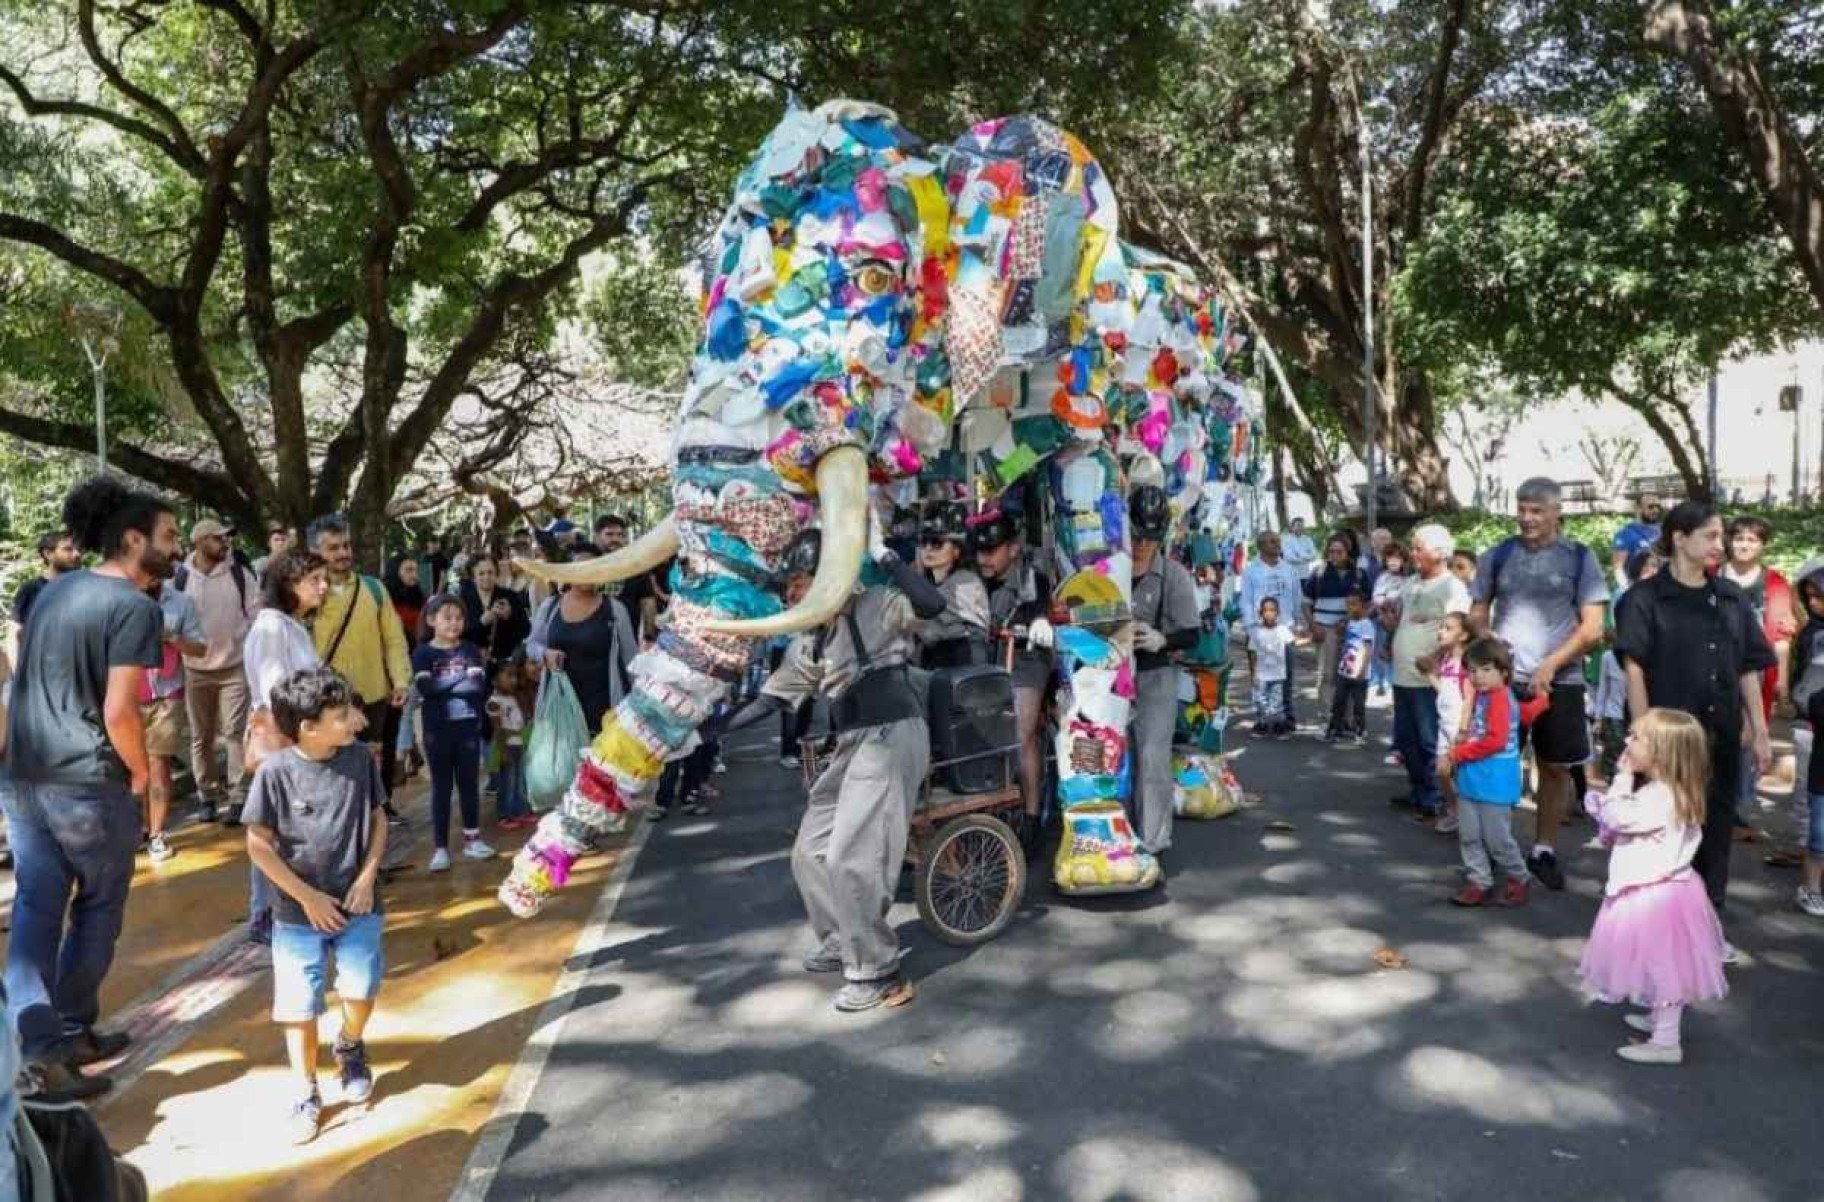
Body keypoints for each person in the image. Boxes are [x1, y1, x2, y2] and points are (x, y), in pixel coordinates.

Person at [4, 477, 175, 1102]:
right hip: (85, 780)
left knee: (36, 908)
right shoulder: (134, 607)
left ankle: (42, 1044)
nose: (173, 547)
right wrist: (136, 772)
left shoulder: (57, 590)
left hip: (24, 776)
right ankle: (70, 1030)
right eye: (167, 536)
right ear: (134, 540)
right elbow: (121, 712)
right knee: (100, 906)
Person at [731, 526, 945, 1012]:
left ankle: (878, 968)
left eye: (798, 581)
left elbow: (932, 605)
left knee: (854, 853)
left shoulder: (878, 603)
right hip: (851, 741)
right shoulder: (812, 639)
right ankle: (840, 937)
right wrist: (710, 728)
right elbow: (771, 700)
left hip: (891, 734)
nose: (791, 594)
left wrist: (885, 554)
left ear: (829, 575)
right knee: (811, 849)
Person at [1616, 500, 1773, 940]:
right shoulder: (1643, 599)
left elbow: (1747, 665)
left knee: (1715, 831)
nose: (1718, 545)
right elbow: (1634, 668)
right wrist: (1642, 735)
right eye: (1709, 536)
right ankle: (1659, 932)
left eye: (1720, 536)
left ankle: (1706, 928)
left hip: (1720, 736)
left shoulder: (1730, 597)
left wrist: (1759, 730)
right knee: (1664, 835)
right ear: (1679, 539)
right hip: (1668, 743)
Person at [243, 667, 387, 1142]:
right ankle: (305, 1090)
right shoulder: (275, 774)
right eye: (342, 715)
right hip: (297, 915)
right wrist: (306, 897)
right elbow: (258, 844)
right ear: (308, 727)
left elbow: (378, 819)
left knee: (362, 989)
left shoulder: (360, 760)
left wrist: (367, 878)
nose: (354, 721)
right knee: (299, 1007)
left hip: (358, 904)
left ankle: (349, 1044)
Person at [1470, 477, 1608, 891]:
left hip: (1560, 682)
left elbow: (1595, 628)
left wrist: (1552, 663)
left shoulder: (1580, 559)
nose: (1527, 518)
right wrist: (1489, 641)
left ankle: (1543, 849)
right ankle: (1498, 847)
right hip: (1503, 682)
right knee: (1495, 762)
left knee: (1554, 766)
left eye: (1537, 511)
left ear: (1556, 513)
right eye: (1522, 509)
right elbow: (1478, 611)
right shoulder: (1498, 555)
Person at [1577, 708, 1728, 1066]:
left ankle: (1665, 1042)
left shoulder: (1661, 798)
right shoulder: (1668, 791)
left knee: (1663, 967)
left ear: (1661, 754)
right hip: (1661, 892)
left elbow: (1617, 816)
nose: (1628, 742)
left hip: (1654, 899)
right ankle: (1660, 1019)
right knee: (1657, 963)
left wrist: (1622, 779)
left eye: (1637, 738)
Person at [243, 549, 331, 941]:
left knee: (292, 827)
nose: (323, 587)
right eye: (315, 580)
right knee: (273, 829)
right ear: (289, 584)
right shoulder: (271, 627)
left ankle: (287, 905)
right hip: (284, 741)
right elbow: (275, 691)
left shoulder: (291, 625)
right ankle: (265, 911)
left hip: (301, 740)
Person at [306, 515, 412, 825]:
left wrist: (401, 681)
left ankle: (375, 823)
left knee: (372, 763)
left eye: (346, 545)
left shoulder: (373, 589)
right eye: (333, 548)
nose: (342, 553)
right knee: (333, 770)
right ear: (316, 552)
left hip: (374, 696)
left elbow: (393, 639)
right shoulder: (308, 597)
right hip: (328, 702)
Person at [1441, 637, 1547, 908]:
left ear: (1504, 672)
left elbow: (1495, 741)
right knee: (1470, 834)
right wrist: (1541, 703)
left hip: (1494, 780)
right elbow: (1521, 715)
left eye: (1486, 670)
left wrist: (1454, 754)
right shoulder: (1494, 695)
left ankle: (1518, 877)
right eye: (1473, 671)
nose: (1478, 677)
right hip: (1474, 778)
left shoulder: (1498, 698)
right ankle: (1479, 880)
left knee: (1496, 839)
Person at [970, 508, 1055, 834]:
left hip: (1026, 658)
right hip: (987, 658)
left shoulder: (1033, 579)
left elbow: (1040, 607)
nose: (983, 559)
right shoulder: (973, 578)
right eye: (979, 551)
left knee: (1021, 732)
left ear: (1013, 548)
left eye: (991, 551)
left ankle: (1032, 815)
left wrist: (1039, 622)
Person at [1127, 485, 1200, 858]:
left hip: (1156, 676)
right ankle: (1115, 839)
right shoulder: (1108, 569)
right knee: (1113, 758)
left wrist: (1162, 638)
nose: (1141, 545)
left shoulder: (1174, 576)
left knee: (1153, 758)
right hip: (1110, 678)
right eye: (1136, 536)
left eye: (1149, 539)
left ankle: (1153, 841)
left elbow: (1192, 632)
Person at [175, 518, 263, 824]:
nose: (225, 543)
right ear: (199, 542)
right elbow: (169, 621)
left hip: (234, 667)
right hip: (194, 669)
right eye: (218, 539)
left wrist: (251, 649)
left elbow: (256, 613)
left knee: (235, 733)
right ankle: (207, 795)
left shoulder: (240, 573)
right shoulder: (180, 577)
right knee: (202, 736)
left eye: (227, 538)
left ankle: (239, 798)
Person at [1720, 515, 1797, 834]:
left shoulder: (1774, 583)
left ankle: (1736, 804)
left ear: (1763, 545)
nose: (1744, 544)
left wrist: (1782, 683)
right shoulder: (1711, 574)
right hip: (1714, 667)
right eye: (1739, 538)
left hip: (1756, 673)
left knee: (1748, 737)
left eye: (1752, 540)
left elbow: (1781, 636)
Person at [1391, 525, 1472, 824]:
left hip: (1429, 679)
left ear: (1439, 553)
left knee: (1429, 739)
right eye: (1412, 548)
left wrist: (1436, 659)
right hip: (1401, 675)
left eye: (1418, 548)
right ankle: (1418, 791)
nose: (1412, 554)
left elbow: (1459, 629)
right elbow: (1406, 619)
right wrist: (1391, 629)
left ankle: (1436, 797)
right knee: (1406, 739)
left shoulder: (1452, 587)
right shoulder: (1411, 582)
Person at [411, 595, 495, 871]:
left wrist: (444, 683)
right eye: (447, 617)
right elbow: (426, 689)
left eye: (459, 617)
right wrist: (461, 678)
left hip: (468, 727)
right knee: (441, 787)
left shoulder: (470, 648)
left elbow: (476, 688)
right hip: (437, 730)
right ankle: (440, 848)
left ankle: (473, 839)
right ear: (432, 620)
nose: (454, 622)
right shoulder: (423, 653)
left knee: (470, 785)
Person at [526, 549, 638, 733]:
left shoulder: (615, 610)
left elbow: (631, 660)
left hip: (604, 711)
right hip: (558, 709)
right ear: (568, 572)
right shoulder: (550, 607)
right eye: (580, 568)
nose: (587, 573)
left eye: (593, 567)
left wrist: (639, 708)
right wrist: (545, 654)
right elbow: (531, 645)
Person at [140, 578, 206, 862]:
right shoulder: (115, 596)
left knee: (158, 763)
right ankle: (139, 828)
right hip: (127, 692)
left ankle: (156, 833)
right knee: (133, 767)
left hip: (168, 693)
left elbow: (200, 648)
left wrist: (173, 637)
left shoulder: (181, 602)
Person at [1785, 559, 1824, 916]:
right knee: (1814, 809)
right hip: (1814, 727)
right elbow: (1805, 688)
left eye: (1820, 598)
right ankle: (1810, 883)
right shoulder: (1813, 634)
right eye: (1809, 597)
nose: (1814, 604)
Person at [912, 501, 990, 669]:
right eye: (923, 541)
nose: (928, 549)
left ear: (957, 549)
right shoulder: (931, 583)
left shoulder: (967, 582)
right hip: (937, 668)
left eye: (937, 542)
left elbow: (927, 605)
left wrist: (888, 560)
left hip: (966, 672)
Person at [1239, 531, 1306, 727]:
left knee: (1285, 675)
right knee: (1261, 678)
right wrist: (1252, 629)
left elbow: (1297, 598)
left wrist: (1298, 625)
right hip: (1260, 632)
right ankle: (1262, 717)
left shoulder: (1289, 569)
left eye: (1278, 541)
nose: (1277, 544)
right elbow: (1246, 601)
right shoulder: (1251, 571)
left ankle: (1286, 716)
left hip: (1284, 631)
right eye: (1272, 541)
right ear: (1260, 546)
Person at [1303, 534, 1369, 722]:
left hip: (1351, 632)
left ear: (1348, 553)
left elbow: (1369, 604)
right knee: (1327, 674)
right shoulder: (1318, 573)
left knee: (1349, 674)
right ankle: (1329, 716)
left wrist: (1351, 619)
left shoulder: (1359, 574)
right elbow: (1306, 604)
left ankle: (1347, 718)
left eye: (1339, 552)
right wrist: (1313, 627)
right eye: (1331, 551)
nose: (1334, 555)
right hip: (1325, 630)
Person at [1426, 611, 1473, 834]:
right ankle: (1456, 810)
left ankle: (1470, 817)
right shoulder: (1446, 660)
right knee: (1442, 770)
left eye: (1448, 628)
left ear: (1463, 636)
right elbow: (1444, 690)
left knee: (1462, 774)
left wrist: (1463, 729)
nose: (1440, 631)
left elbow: (1468, 699)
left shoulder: (1466, 664)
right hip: (1444, 724)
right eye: (1441, 627)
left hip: (1458, 727)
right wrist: (1429, 675)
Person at [460, 554, 531, 669]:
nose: (486, 577)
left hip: (504, 663)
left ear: (496, 573)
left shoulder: (509, 596)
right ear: (473, 576)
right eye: (481, 573)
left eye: (490, 572)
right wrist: (481, 623)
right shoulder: (463, 599)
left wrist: (510, 617)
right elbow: (459, 634)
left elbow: (526, 630)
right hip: (473, 663)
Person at [487, 660, 535, 831]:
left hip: (519, 744)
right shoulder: (494, 701)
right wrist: (503, 749)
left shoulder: (513, 698)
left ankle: (520, 810)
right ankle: (504, 815)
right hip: (507, 746)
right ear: (495, 680)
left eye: (515, 676)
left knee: (519, 780)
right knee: (507, 783)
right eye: (508, 676)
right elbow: (498, 728)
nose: (513, 680)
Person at [1325, 590, 1374, 744]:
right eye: (1348, 604)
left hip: (1359, 673)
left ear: (1362, 605)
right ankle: (1336, 729)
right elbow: (1341, 638)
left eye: (1354, 604)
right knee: (1339, 701)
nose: (1350, 608)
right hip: (1344, 669)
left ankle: (1360, 731)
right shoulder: (1349, 622)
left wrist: (1363, 670)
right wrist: (1342, 625)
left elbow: (1367, 649)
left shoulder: (1366, 625)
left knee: (1358, 705)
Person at [8, 530, 81, 633]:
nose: (77, 554)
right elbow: (15, 632)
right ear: (48, 554)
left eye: (78, 549)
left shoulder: (85, 589)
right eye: (68, 549)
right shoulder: (31, 589)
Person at [1248, 598, 1297, 738]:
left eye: (1272, 610)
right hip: (1262, 673)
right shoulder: (1256, 632)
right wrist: (1253, 673)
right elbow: (1252, 653)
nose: (1269, 613)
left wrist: (1307, 637)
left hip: (1278, 674)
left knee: (1277, 702)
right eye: (1266, 610)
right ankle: (1261, 723)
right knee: (1260, 700)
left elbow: (1293, 642)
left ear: (1278, 613)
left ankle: (1278, 725)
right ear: (1260, 613)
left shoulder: (1282, 630)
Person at [1368, 541, 1408, 698]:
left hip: (1403, 621)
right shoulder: (1383, 577)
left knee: (1397, 651)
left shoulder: (1409, 578)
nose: (1393, 561)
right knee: (1380, 649)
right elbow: (1376, 598)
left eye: (1397, 558)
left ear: (1404, 560)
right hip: (1384, 620)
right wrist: (1385, 604)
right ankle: (1379, 681)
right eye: (1389, 558)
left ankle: (1394, 681)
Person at [1610, 491, 1664, 589]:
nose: (1656, 510)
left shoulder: (1664, 531)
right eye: (1651, 506)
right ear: (1638, 508)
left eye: (1658, 507)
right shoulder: (1625, 534)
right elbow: (1618, 569)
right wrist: (1628, 590)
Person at [1592, 641, 1628, 787]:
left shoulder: (1640, 656)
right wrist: (1598, 718)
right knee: (1615, 760)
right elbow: (1603, 687)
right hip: (1614, 715)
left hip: (1634, 717)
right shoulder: (1608, 657)